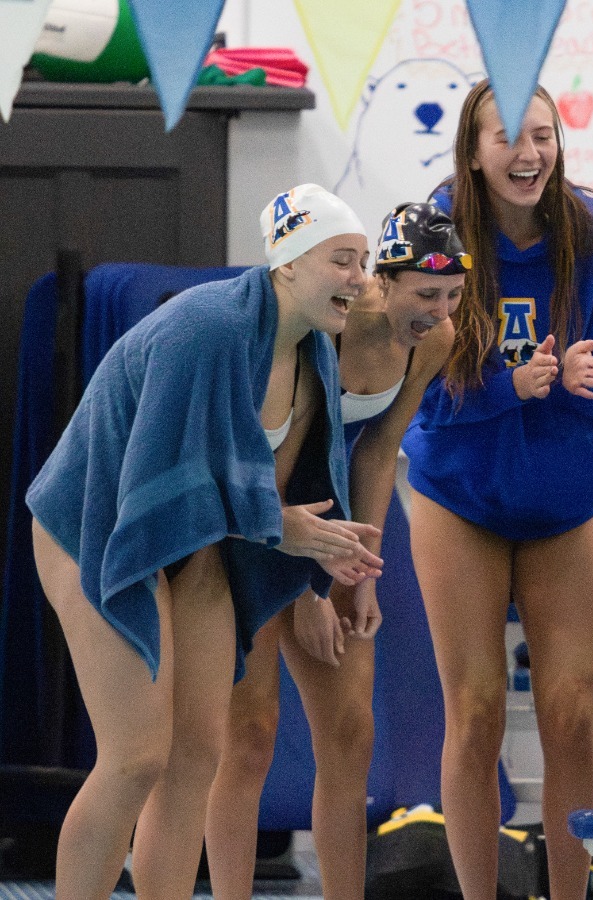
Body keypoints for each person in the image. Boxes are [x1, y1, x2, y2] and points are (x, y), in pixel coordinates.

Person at [26, 183, 381, 900]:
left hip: (199, 538)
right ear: (287, 263)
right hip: (96, 525)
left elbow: (273, 489)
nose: (359, 279)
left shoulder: (314, 352)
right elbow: (156, 478)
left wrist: (313, 562)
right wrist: (287, 530)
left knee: (196, 756)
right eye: (342, 260)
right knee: (135, 756)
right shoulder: (207, 328)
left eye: (364, 261)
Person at [402, 81, 593, 900]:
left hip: (564, 495)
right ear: (473, 152)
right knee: (474, 713)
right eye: (508, 136)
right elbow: (415, 388)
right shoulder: (435, 233)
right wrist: (511, 386)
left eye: (543, 135)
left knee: (571, 712)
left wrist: (584, 380)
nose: (529, 153)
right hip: (460, 490)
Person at [203, 202, 466, 900]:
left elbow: (376, 454)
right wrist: (308, 587)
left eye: (453, 296)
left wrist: (363, 571)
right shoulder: (327, 322)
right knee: (250, 736)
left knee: (351, 737)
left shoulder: (434, 340)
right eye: (426, 294)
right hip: (251, 523)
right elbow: (283, 458)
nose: (439, 313)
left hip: (331, 525)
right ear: (384, 279)